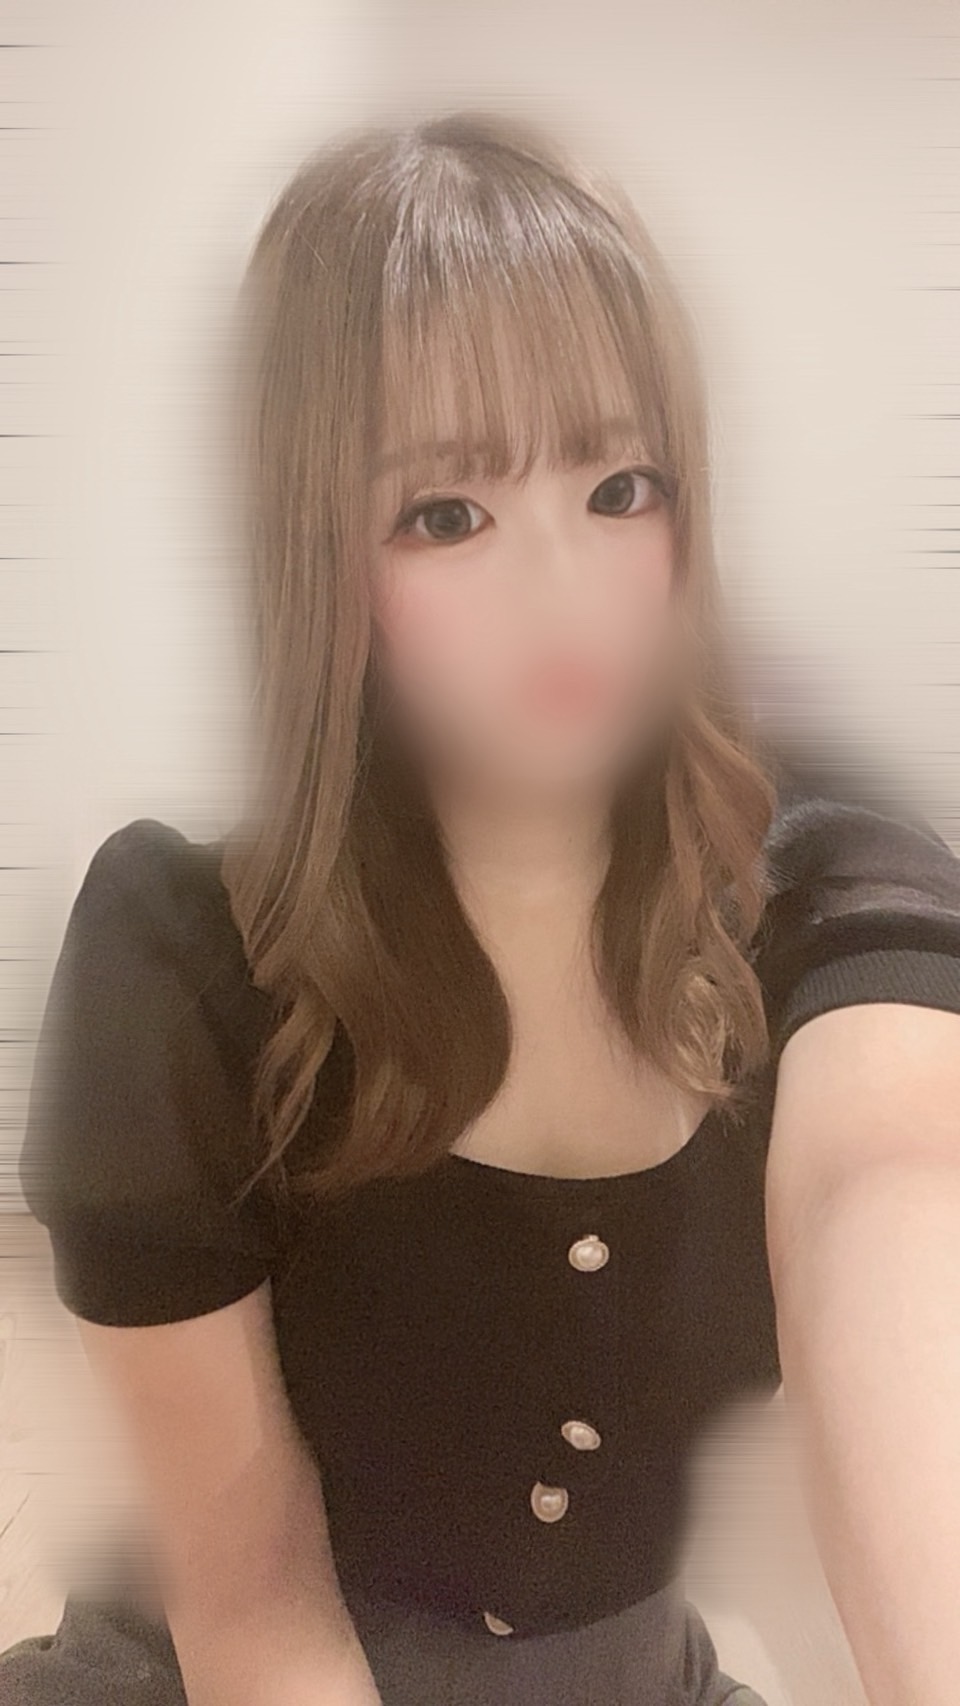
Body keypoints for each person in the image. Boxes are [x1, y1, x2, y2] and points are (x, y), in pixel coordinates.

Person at [4, 105, 960, 1706]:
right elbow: (253, 1606)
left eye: (621, 485)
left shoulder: (825, 882)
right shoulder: (183, 956)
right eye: (447, 515)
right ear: (324, 556)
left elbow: (894, 1191)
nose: (560, 588)